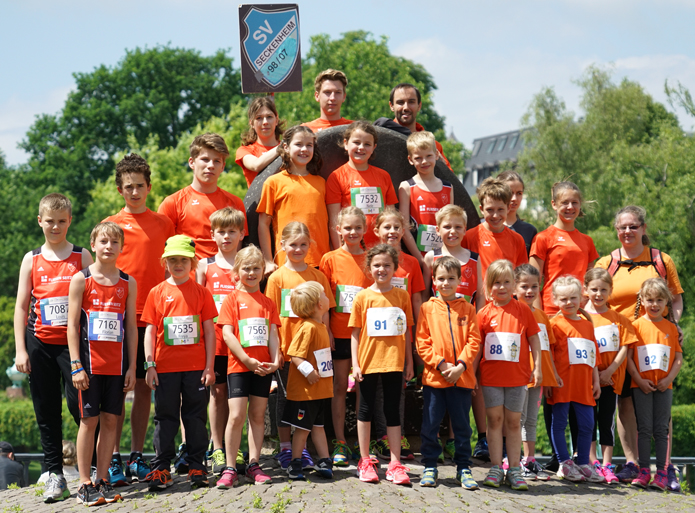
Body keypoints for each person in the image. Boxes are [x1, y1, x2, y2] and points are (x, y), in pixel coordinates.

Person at [594, 205, 683, 488]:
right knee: (626, 404)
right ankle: (633, 463)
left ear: (643, 228)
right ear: (616, 230)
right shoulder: (605, 263)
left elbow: (677, 299)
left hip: (655, 341)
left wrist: (674, 324)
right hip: (619, 344)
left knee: (660, 404)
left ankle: (664, 467)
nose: (628, 232)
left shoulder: (660, 260)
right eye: (622, 227)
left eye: (633, 226)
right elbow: (593, 300)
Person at [13, 193, 93, 503]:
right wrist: (21, 350)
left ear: (70, 221)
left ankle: (94, 466)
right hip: (40, 344)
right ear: (40, 221)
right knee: (47, 412)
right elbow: (21, 307)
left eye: (62, 221)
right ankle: (55, 475)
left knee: (81, 408)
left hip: (72, 348)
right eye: (50, 221)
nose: (56, 226)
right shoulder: (31, 258)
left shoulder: (82, 256)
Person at [104, 153, 175, 484]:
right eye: (128, 187)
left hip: (154, 316)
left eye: (140, 186)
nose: (135, 192)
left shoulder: (164, 223)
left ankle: (136, 455)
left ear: (149, 187)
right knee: (118, 389)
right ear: (120, 189)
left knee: (146, 387)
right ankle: (113, 456)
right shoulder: (110, 226)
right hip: (119, 317)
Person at [67, 222, 138, 505]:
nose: (109, 246)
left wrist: (133, 367)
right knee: (89, 421)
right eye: (103, 241)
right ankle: (84, 481)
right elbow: (72, 326)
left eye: (115, 242)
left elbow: (131, 327)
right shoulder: (81, 279)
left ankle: (102, 479)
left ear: (121, 247)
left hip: (117, 366)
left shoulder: (128, 282)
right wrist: (75, 364)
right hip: (88, 365)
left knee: (111, 421)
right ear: (93, 244)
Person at [141, 235, 217, 491]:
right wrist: (149, 365)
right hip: (164, 368)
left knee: (195, 417)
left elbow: (209, 331)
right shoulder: (157, 293)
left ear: (192, 263)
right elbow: (150, 331)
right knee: (165, 417)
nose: (178, 264)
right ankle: (162, 468)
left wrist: (209, 366)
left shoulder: (202, 292)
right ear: (165, 263)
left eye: (183, 260)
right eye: (172, 260)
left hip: (196, 368)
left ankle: (197, 466)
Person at [265, 222, 335, 470]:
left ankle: (303, 450)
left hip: (315, 352)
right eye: (293, 244)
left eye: (303, 244)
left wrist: (327, 339)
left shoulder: (317, 276)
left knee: (312, 401)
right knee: (286, 401)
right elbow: (272, 317)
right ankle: (286, 449)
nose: (298, 249)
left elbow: (325, 313)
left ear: (310, 245)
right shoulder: (276, 278)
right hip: (288, 351)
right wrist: (277, 351)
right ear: (282, 245)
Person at [216, 246, 282, 488]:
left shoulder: (268, 302)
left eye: (256, 268)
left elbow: (273, 333)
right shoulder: (232, 300)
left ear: (263, 271)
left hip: (263, 367)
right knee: (236, 415)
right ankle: (230, 466)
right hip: (239, 366)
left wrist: (275, 361)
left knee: (257, 415)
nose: (251, 273)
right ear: (236, 271)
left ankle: (254, 464)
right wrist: (245, 359)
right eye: (246, 268)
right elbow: (227, 333)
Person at [349, 244, 414, 485]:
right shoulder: (363, 297)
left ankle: (395, 463)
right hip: (368, 362)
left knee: (392, 411)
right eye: (376, 265)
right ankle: (365, 460)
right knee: (365, 410)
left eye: (387, 265)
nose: (382, 269)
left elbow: (406, 331)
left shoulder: (402, 296)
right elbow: (355, 333)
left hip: (394, 363)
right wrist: (355, 364)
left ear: (395, 268)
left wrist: (409, 362)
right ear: (369, 268)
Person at [416, 256, 480, 490]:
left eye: (451, 278)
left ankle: (463, 467)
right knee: (431, 425)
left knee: (462, 426)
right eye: (441, 278)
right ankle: (430, 466)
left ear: (460, 280)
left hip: (462, 378)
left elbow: (474, 341)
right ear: (433, 280)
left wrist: (461, 366)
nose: (446, 283)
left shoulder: (468, 309)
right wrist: (442, 365)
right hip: (435, 378)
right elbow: (422, 343)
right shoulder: (427, 308)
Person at [477, 259, 541, 491]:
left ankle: (514, 469)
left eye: (506, 282)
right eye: (496, 283)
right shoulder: (484, 314)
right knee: (494, 421)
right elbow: (477, 346)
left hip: (517, 378)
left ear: (514, 285)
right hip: (491, 378)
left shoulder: (523, 310)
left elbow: (534, 339)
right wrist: (474, 374)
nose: (501, 287)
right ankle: (496, 467)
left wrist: (538, 368)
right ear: (488, 285)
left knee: (514, 423)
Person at [319, 206, 374, 466]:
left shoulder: (370, 259)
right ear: (338, 230)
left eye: (357, 227)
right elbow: (326, 301)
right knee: (340, 387)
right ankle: (340, 440)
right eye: (347, 228)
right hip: (339, 333)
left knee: (365, 388)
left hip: (366, 336)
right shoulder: (329, 259)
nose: (352, 232)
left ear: (365, 229)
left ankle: (365, 443)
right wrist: (327, 329)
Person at [370, 207, 424, 461]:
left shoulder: (411, 263)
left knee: (398, 387)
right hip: (374, 338)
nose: (391, 232)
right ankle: (379, 437)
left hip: (400, 337)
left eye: (396, 227)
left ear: (404, 231)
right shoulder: (373, 262)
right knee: (375, 389)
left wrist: (413, 349)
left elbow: (414, 306)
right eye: (386, 227)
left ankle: (397, 435)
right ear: (377, 231)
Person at [195, 207, 245, 475]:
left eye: (232, 231)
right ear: (212, 235)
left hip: (242, 344)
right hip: (214, 343)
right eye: (221, 232)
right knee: (217, 394)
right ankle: (216, 446)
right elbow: (197, 303)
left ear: (241, 234)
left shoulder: (246, 263)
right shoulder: (205, 265)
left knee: (239, 398)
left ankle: (234, 446)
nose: (226, 236)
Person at [583, 268, 638, 484]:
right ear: (586, 289)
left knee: (606, 422)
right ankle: (591, 462)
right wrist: (595, 373)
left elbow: (625, 346)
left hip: (611, 380)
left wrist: (609, 371)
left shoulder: (618, 319)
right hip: (586, 380)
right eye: (594, 289)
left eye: (603, 290)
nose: (598, 294)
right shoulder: (581, 317)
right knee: (588, 422)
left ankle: (607, 464)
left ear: (610, 291)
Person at [626, 278, 682, 490]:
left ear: (667, 301)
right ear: (642, 300)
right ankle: (643, 471)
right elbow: (629, 358)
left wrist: (668, 380)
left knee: (661, 429)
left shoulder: (671, 328)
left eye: (659, 300)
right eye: (650, 300)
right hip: (641, 386)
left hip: (664, 387)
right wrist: (639, 380)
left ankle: (661, 472)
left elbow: (678, 359)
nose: (655, 304)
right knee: (644, 428)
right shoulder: (636, 326)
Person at [547, 276, 603, 483]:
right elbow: (550, 355)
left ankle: (582, 462)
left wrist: (595, 381)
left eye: (573, 298)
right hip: (563, 383)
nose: (569, 302)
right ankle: (564, 462)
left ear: (581, 297)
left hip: (583, 384)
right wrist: (552, 379)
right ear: (555, 300)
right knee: (559, 422)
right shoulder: (553, 324)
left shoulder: (588, 325)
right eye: (564, 299)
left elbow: (593, 356)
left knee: (588, 424)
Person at [158, 133, 247, 260]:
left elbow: (239, 249)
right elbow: (162, 247)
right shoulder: (172, 203)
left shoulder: (235, 203)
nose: (210, 165)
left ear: (223, 167)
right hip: (187, 277)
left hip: (225, 277)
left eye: (217, 161)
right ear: (191, 162)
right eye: (205, 159)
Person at [257, 125, 329, 274]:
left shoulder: (322, 183)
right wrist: (268, 261)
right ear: (286, 147)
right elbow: (263, 224)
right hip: (286, 261)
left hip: (319, 261)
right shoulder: (273, 182)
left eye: (309, 145)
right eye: (298, 144)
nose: (304, 149)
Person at [282, 281, 335, 480]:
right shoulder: (308, 328)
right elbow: (295, 355)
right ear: (318, 304)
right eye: (323, 294)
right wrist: (308, 371)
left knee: (319, 427)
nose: (327, 296)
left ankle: (324, 460)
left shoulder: (320, 326)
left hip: (320, 390)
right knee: (303, 429)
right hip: (306, 391)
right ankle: (295, 463)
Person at [513, 264, 560, 481]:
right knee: (517, 419)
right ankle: (514, 460)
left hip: (538, 377)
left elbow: (546, 348)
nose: (529, 291)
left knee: (531, 420)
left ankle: (530, 460)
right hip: (519, 375)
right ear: (514, 287)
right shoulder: (512, 313)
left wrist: (552, 376)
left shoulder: (542, 315)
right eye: (524, 286)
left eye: (534, 286)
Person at [326, 121, 398, 250]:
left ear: (374, 147)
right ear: (346, 144)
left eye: (367, 144)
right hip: (351, 249)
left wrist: (391, 248)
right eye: (356, 143)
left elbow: (391, 217)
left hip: (380, 249)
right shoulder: (336, 177)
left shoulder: (384, 176)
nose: (361, 148)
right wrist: (340, 252)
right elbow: (334, 221)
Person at [530, 181, 598, 315]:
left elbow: (592, 283)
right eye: (565, 202)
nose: (570, 207)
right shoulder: (543, 238)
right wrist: (538, 317)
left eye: (574, 202)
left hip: (581, 312)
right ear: (554, 204)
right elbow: (533, 283)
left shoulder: (587, 241)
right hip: (552, 311)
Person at [398, 131, 454, 263]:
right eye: (418, 158)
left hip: (443, 258)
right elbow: (404, 227)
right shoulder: (406, 187)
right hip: (418, 257)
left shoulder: (448, 188)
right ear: (410, 160)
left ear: (436, 155)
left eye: (429, 156)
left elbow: (451, 224)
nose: (424, 161)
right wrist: (420, 259)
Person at [374, 83, 451, 169]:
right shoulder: (376, 137)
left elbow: (451, 180)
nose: (406, 107)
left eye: (411, 102)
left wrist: (443, 168)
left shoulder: (433, 146)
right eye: (400, 102)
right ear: (391, 106)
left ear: (419, 106)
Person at [462, 177, 528, 278]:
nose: (495, 215)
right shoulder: (469, 237)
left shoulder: (517, 240)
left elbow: (521, 277)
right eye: (490, 210)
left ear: (508, 208)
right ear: (481, 209)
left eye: (500, 209)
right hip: (479, 294)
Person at [423, 205, 483, 307]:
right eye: (447, 227)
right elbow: (424, 295)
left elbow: (480, 296)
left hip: (467, 320)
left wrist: (478, 321)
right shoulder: (430, 258)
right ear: (437, 230)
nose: (453, 231)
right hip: (437, 320)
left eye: (458, 227)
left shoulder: (474, 259)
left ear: (464, 230)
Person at [235, 97, 284, 187]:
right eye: (259, 118)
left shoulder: (289, 148)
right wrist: (282, 147)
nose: (265, 122)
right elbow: (256, 165)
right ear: (251, 123)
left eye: (269, 117)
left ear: (276, 120)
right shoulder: (245, 151)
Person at [497, 170, 537, 256]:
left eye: (519, 193)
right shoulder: (483, 226)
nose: (514, 198)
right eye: (510, 193)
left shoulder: (530, 231)